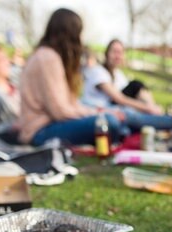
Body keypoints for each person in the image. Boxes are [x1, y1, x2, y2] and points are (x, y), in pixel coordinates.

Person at [18, 8, 122, 147]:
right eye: (79, 33)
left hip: (49, 126)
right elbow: (60, 112)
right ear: (70, 34)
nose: (81, 39)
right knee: (110, 121)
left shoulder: (47, 55)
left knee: (115, 117)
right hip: (40, 132)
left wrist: (99, 112)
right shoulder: (48, 58)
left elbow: (70, 105)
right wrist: (99, 113)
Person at [81, 40, 172, 132]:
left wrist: (149, 107)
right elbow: (119, 98)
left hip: (116, 109)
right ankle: (171, 121)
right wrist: (147, 108)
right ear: (107, 54)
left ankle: (159, 116)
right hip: (101, 110)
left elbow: (131, 94)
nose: (117, 56)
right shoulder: (98, 71)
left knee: (136, 87)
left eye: (120, 53)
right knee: (134, 94)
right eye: (114, 52)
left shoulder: (119, 75)